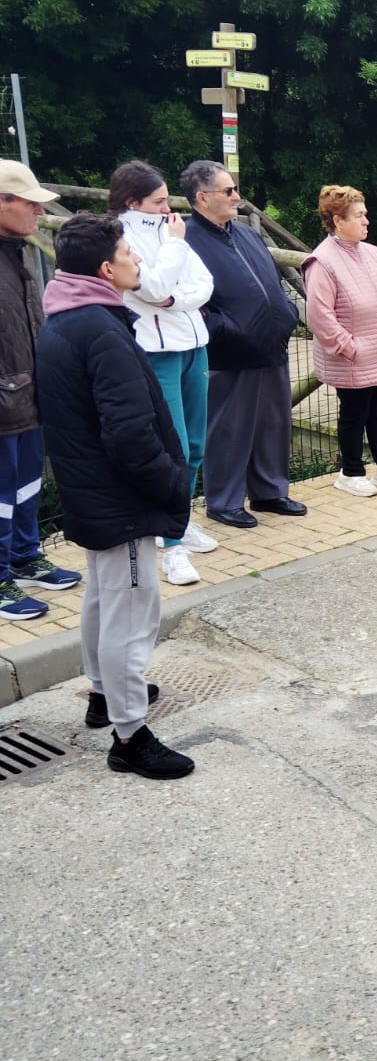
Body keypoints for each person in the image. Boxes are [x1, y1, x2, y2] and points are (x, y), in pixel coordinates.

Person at [35, 214, 194, 778]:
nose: (138, 262)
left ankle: (104, 695)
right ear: (107, 268)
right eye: (130, 254)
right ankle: (130, 737)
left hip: (92, 493)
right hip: (120, 500)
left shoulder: (62, 319)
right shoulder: (102, 331)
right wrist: (171, 482)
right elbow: (129, 434)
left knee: (104, 599)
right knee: (131, 611)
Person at [180, 160, 305, 529]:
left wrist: (286, 313)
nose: (237, 197)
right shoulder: (186, 240)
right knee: (229, 428)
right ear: (202, 198)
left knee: (273, 423)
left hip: (271, 345)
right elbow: (188, 298)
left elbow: (272, 280)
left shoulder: (247, 233)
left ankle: (269, 492)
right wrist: (227, 329)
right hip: (229, 352)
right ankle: (224, 500)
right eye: (228, 191)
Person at [110, 161, 218, 585]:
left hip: (194, 343)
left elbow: (203, 282)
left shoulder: (168, 231)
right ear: (132, 201)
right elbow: (149, 287)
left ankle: (180, 516)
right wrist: (170, 280)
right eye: (157, 201)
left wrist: (175, 301)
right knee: (171, 445)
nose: (166, 208)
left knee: (194, 443)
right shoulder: (122, 235)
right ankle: (171, 546)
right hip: (158, 351)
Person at [0, 160, 81, 619]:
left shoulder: (22, 250)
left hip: (30, 395)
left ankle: (25, 556)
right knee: (1, 489)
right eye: (28, 202)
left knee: (28, 482)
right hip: (4, 400)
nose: (38, 211)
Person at [304, 184, 377, 498]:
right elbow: (320, 315)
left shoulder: (372, 252)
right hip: (355, 355)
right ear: (338, 221)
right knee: (354, 414)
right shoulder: (321, 262)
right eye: (359, 216)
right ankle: (350, 471)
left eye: (365, 215)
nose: (367, 221)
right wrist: (348, 347)